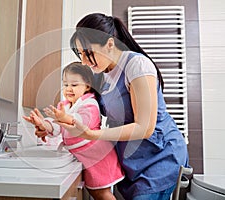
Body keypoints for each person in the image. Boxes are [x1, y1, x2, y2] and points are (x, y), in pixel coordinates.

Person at [53, 13, 190, 200]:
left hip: (160, 158)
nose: (83, 61)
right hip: (133, 162)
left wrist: (91, 134)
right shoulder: (102, 74)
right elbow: (84, 109)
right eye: (80, 54)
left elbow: (145, 128)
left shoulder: (137, 65)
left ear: (109, 44)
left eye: (88, 53)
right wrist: (51, 126)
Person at [23, 62, 125, 200]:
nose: (68, 89)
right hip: (86, 156)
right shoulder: (65, 106)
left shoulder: (90, 104)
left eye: (74, 85)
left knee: (101, 193)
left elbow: (81, 122)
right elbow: (57, 126)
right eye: (65, 85)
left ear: (87, 86)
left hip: (98, 156)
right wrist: (44, 124)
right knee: (95, 192)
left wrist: (64, 117)